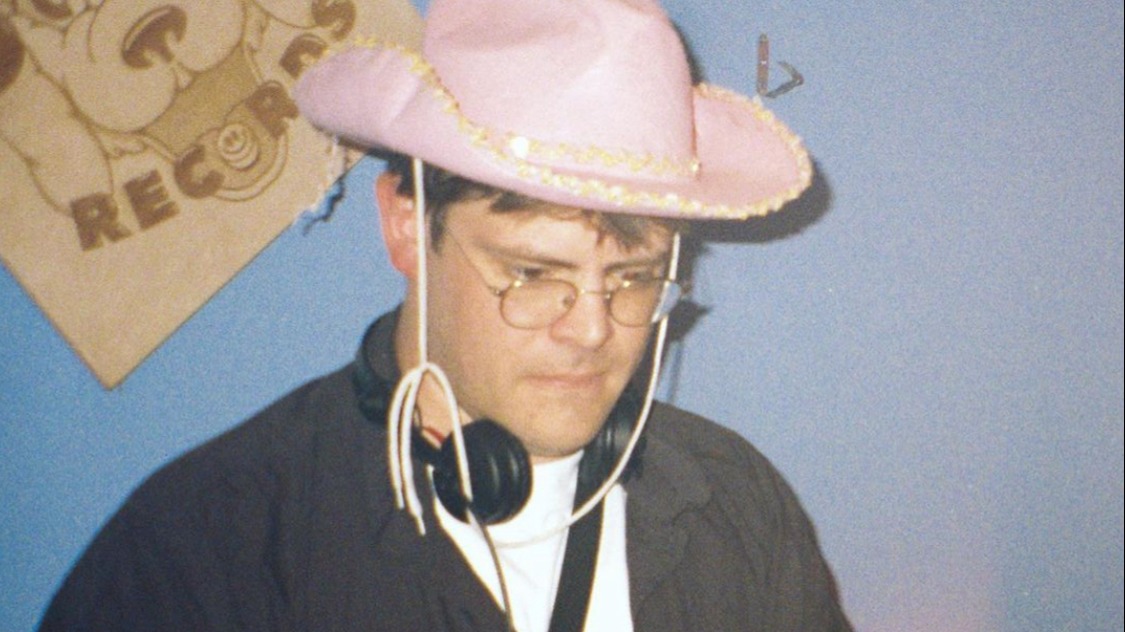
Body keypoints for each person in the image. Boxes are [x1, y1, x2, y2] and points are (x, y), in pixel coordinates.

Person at [39, 0, 853, 630]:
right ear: (405, 224)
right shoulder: (200, 551)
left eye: (634, 279)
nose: (592, 331)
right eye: (532, 273)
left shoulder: (738, 506)